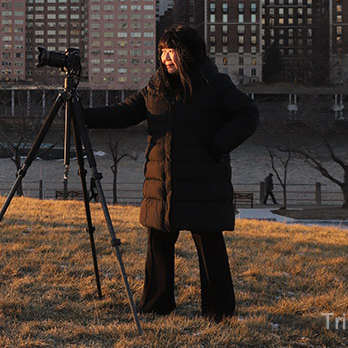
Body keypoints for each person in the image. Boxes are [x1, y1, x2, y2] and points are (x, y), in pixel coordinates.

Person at [83, 25, 258, 322]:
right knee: (159, 243)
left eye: (172, 50)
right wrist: (82, 114)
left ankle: (219, 312)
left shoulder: (214, 84)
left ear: (187, 53)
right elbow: (125, 112)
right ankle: (156, 305)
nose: (165, 56)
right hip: (162, 182)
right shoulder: (157, 85)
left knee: (209, 245)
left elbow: (248, 113)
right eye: (163, 50)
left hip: (203, 183)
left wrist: (219, 145)